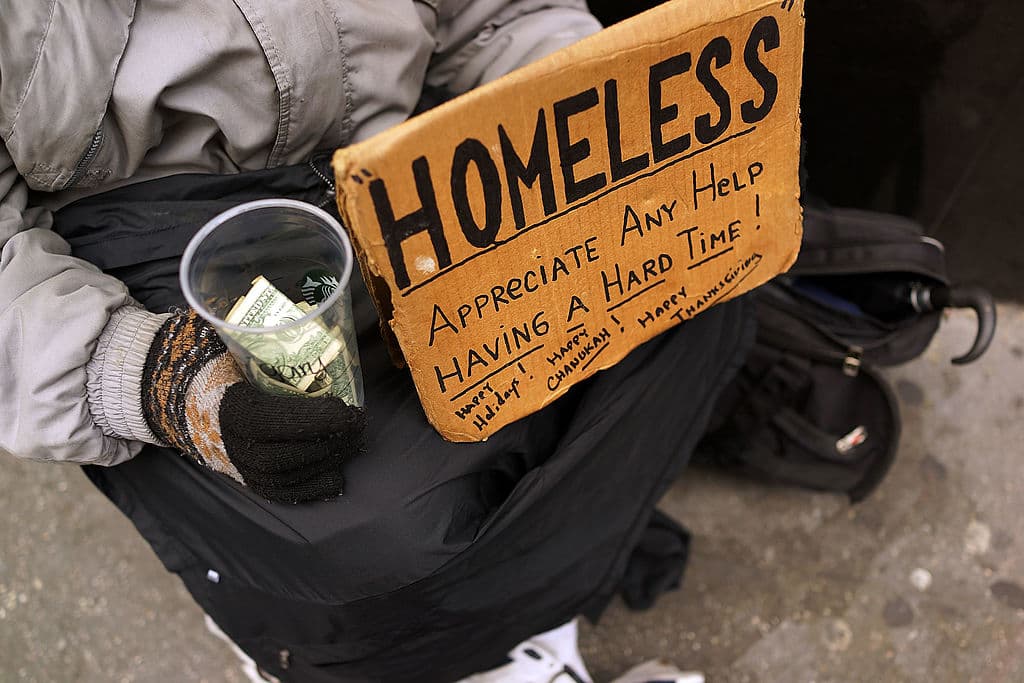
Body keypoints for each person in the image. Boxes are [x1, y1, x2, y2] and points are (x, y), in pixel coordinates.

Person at [1, 2, 752, 681]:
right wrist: (154, 377)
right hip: (154, 235)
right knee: (381, 519)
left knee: (697, 299)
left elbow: (503, 16)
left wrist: (599, 125)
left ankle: (520, 615)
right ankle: (311, 641)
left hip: (399, 158)